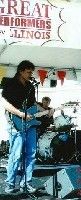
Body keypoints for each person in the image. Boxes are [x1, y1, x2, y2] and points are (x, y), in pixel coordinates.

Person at [1, 60, 37, 193]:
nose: (30, 74)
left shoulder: (31, 86)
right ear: (21, 71)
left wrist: (48, 110)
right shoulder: (10, 83)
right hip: (15, 123)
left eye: (31, 72)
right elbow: (4, 102)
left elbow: (33, 105)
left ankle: (26, 182)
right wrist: (20, 113)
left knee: (31, 154)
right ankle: (10, 183)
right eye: (28, 72)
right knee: (15, 155)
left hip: (30, 124)